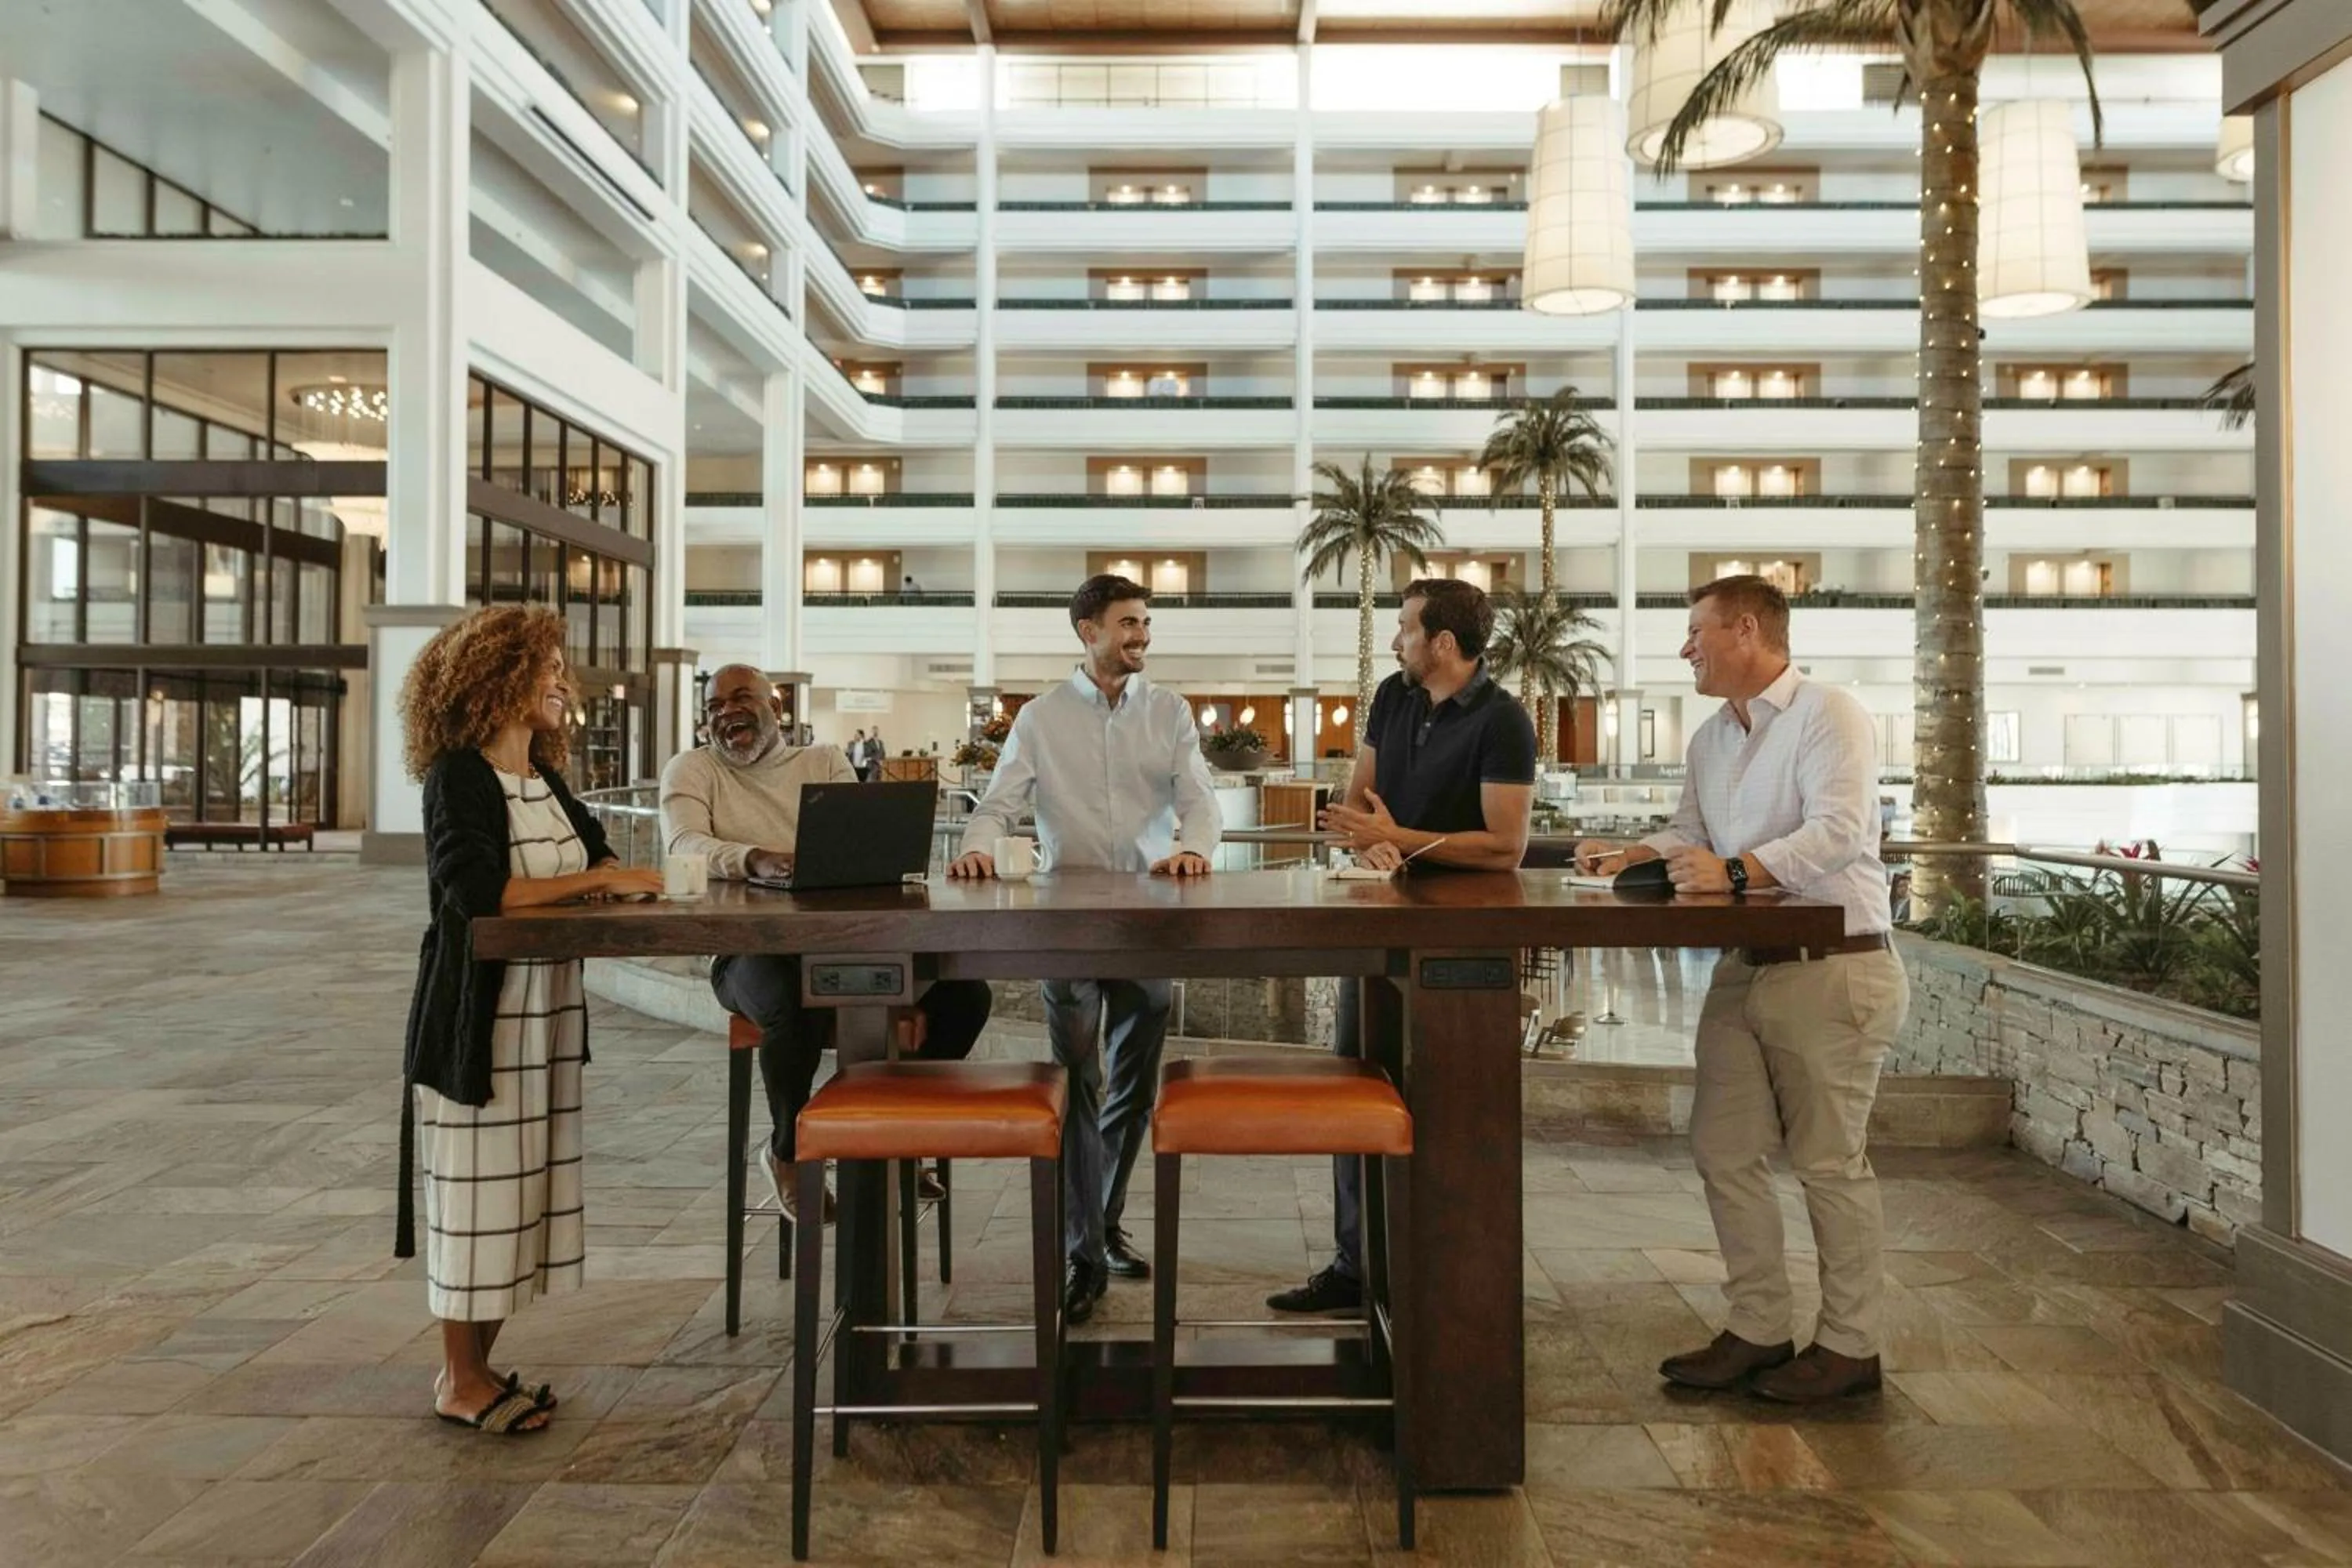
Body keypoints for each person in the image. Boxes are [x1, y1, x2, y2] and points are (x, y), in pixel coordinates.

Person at [1574, 575, 1907, 1403]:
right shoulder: (1712, 738)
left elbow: (1838, 831)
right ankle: (1760, 1327)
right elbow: (1691, 831)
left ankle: (1850, 1345)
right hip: (1745, 964)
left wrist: (1734, 869)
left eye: (1697, 631)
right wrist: (1627, 853)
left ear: (1748, 629)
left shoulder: (1830, 714)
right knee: (1723, 1149)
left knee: (1829, 1163)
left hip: (1834, 965)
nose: (1687, 648)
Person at [395, 606, 666, 1434]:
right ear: (496, 678)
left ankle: (476, 1367)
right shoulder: (459, 775)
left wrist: (614, 876)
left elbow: (602, 860)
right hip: (479, 1024)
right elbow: (475, 895)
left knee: (520, 1202)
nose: (562, 680)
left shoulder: (544, 781)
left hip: (542, 1025)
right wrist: (600, 886)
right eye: (546, 665)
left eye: (560, 665)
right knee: (476, 1201)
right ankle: (459, 1379)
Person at [948, 574, 1220, 1324]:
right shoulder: (1038, 718)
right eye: (1129, 623)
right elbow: (998, 804)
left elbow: (1199, 799)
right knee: (1079, 1080)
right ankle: (1080, 1253)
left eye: (1146, 623)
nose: (1142, 635)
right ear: (1087, 630)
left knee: (1132, 1083)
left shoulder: (1170, 712)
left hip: (1148, 920)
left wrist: (1195, 848)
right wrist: (977, 848)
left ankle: (1103, 1222)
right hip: (1065, 925)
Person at [1268, 578, 1536, 1314]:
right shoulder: (1393, 695)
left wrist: (1399, 840)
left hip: (1464, 948)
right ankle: (1357, 1267)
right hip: (1379, 928)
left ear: (1442, 643)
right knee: (1358, 1087)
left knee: (1454, 1111)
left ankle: (1447, 1279)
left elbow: (1505, 847)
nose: (1395, 641)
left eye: (1405, 628)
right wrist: (1360, 834)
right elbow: (1361, 800)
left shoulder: (1505, 721)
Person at [662, 664, 993, 1221]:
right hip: (748, 951)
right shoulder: (692, 769)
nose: (727, 712)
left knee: (966, 998)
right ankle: (789, 1152)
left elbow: (855, 836)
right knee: (792, 1008)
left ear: (776, 706)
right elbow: (683, 843)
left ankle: (900, 1139)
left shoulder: (823, 760)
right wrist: (753, 857)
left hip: (839, 943)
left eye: (741, 698)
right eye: (715, 706)